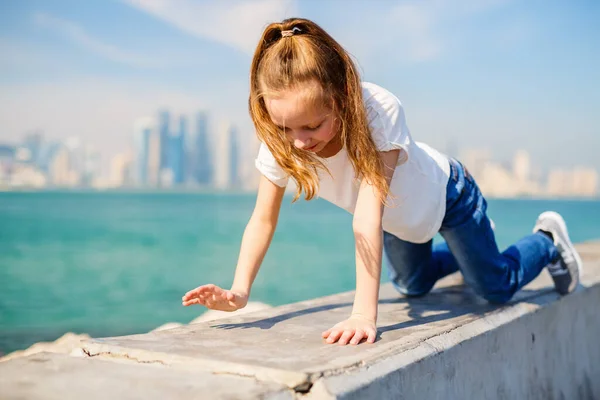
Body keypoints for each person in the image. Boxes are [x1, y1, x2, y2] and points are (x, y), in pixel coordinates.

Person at [182, 18, 582, 346]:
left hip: (449, 197)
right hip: (400, 219)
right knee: (411, 285)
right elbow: (262, 219)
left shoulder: (377, 111)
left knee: (493, 287)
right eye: (286, 128)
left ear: (340, 97)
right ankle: (469, 254)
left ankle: (546, 240)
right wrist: (239, 291)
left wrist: (362, 315)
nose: (299, 141)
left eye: (313, 126)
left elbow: (366, 216)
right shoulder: (281, 138)